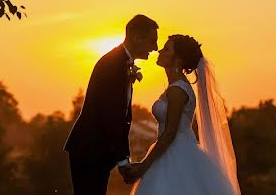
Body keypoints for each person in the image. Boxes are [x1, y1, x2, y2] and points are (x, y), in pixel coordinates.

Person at [127, 34, 241, 195]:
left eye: (166, 49)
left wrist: (144, 166)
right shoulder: (175, 87)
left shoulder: (177, 91)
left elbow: (170, 133)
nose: (160, 51)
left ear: (178, 60)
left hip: (176, 155)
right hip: (171, 151)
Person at [64, 14, 159, 195]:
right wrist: (123, 163)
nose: (155, 48)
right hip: (89, 150)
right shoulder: (114, 65)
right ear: (137, 38)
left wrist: (123, 158)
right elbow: (111, 117)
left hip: (96, 151)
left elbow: (121, 119)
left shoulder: (121, 62)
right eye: (152, 41)